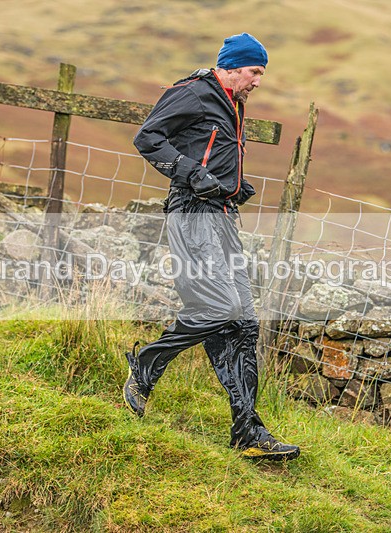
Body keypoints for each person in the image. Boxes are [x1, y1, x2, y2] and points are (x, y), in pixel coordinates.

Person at [124, 33, 300, 460]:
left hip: (221, 215)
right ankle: (146, 363)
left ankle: (247, 433)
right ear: (232, 66)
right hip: (191, 214)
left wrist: (233, 186)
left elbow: (208, 152)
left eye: (261, 74)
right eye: (254, 72)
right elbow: (148, 138)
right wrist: (192, 175)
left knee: (245, 324)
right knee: (221, 308)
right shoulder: (194, 92)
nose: (258, 81)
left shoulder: (231, 102)